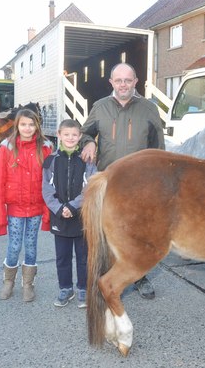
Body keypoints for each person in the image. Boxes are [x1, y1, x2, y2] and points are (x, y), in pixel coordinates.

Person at [79, 62, 165, 300]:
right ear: (112, 83)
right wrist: (88, 141)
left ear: (136, 82)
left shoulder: (149, 109)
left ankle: (139, 276)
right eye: (119, 80)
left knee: (139, 234)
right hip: (110, 184)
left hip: (141, 186)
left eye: (128, 80)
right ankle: (109, 275)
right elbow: (84, 133)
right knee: (110, 233)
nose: (123, 85)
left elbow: (159, 147)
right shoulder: (100, 107)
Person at [0, 108, 53, 302]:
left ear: (37, 125)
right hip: (15, 209)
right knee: (14, 245)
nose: (27, 128)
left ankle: (28, 283)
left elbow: (49, 182)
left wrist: (47, 213)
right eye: (23, 124)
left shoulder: (45, 148)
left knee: (31, 245)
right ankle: (8, 281)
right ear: (17, 126)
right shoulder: (6, 147)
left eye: (31, 124)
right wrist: (0, 218)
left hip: (35, 207)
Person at [42, 119, 97, 308]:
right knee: (62, 257)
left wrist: (74, 206)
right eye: (66, 134)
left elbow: (90, 187)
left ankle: (83, 288)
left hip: (81, 215)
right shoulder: (50, 161)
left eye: (74, 135)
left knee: (83, 256)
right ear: (59, 135)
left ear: (80, 136)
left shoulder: (87, 161)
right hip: (59, 216)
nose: (70, 138)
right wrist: (59, 208)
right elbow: (46, 190)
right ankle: (65, 288)